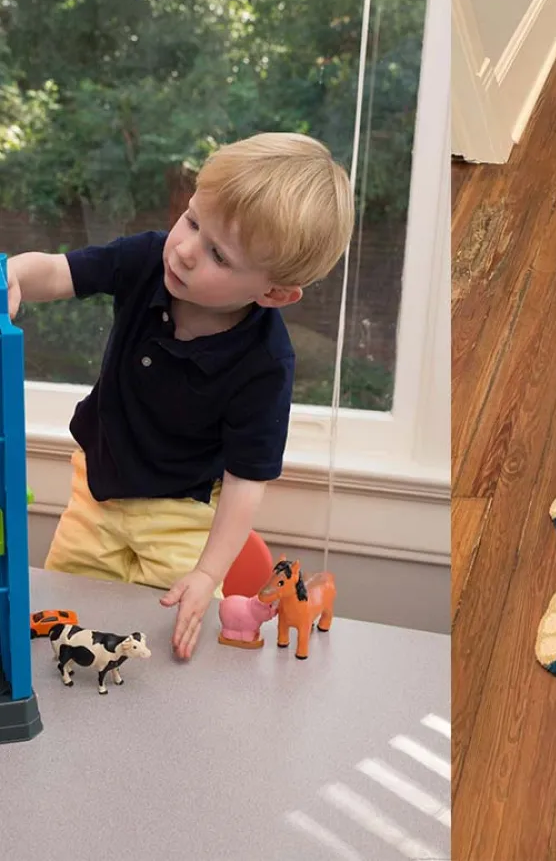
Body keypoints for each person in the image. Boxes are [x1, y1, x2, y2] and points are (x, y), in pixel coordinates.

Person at [8, 132, 354, 660]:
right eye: (192, 220)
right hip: (97, 493)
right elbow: (59, 271)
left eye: (218, 254)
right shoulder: (148, 257)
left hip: (182, 514)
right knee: (64, 630)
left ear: (273, 293)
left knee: (168, 646)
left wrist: (208, 573)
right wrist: (13, 273)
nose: (186, 251)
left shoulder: (265, 362)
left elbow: (245, 481)